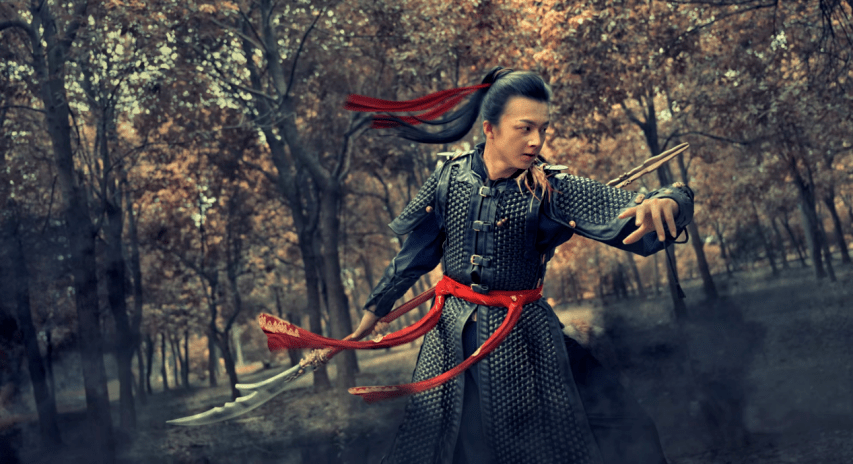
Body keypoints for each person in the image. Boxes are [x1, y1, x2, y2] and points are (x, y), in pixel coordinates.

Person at [290, 67, 693, 464]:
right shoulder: (447, 179)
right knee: (451, 448)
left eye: (542, 128)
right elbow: (412, 256)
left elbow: (631, 210)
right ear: (490, 129)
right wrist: (371, 315)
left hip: (529, 334)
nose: (536, 141)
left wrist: (672, 200)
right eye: (524, 128)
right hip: (451, 340)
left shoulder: (549, 188)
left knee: (626, 427)